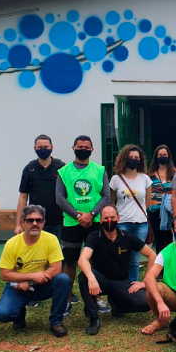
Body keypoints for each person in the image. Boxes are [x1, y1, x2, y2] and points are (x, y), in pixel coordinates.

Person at [78, 205, 156, 335]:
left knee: (145, 302)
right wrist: (92, 278)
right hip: (100, 281)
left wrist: (145, 282)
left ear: (118, 218)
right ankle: (93, 318)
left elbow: (152, 255)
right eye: (106, 218)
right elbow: (82, 259)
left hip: (121, 281)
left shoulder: (127, 236)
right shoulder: (94, 236)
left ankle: (118, 304)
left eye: (112, 217)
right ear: (101, 220)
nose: (109, 221)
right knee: (84, 277)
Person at [0, 205, 70, 337]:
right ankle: (19, 317)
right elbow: (4, 274)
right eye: (30, 220)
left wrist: (31, 280)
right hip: (18, 286)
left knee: (63, 279)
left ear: (44, 222)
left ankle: (56, 322)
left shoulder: (51, 240)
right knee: (3, 314)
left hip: (44, 283)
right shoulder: (12, 244)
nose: (34, 223)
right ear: (23, 222)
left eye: (38, 220)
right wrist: (29, 278)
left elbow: (57, 268)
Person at [56, 135, 110, 317]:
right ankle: (67, 300)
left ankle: (97, 297)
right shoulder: (64, 171)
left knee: (95, 261)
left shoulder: (99, 169)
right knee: (69, 262)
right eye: (80, 146)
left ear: (92, 150)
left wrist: (92, 214)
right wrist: (78, 215)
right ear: (73, 148)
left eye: (86, 147)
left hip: (94, 222)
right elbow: (60, 198)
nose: (83, 149)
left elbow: (106, 196)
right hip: (72, 223)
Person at [15, 134, 66, 308]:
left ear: (52, 147)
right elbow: (23, 196)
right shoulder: (29, 169)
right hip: (34, 223)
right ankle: (33, 291)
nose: (43, 149)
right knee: (34, 257)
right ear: (34, 148)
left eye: (46, 146)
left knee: (58, 257)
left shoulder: (61, 167)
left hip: (58, 220)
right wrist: (18, 223)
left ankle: (61, 288)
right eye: (39, 146)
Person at [109, 144, 152, 283]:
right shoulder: (116, 179)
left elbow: (147, 202)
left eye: (137, 158)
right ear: (124, 159)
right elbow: (111, 202)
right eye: (131, 157)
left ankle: (131, 285)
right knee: (120, 255)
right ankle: (119, 282)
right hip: (122, 223)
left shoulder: (145, 179)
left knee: (135, 258)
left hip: (141, 224)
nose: (134, 160)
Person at [147, 144, 176, 252]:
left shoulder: (175, 173)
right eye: (160, 155)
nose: (162, 156)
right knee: (158, 241)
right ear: (156, 157)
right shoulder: (149, 174)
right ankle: (160, 267)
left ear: (169, 156)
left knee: (170, 240)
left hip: (170, 211)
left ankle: (170, 266)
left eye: (165, 154)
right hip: (155, 211)